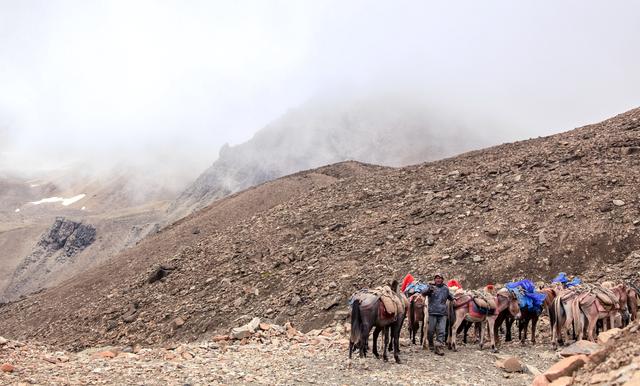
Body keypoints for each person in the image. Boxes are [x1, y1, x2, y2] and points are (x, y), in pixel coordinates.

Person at [421, 273, 453, 355]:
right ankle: (431, 343)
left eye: (440, 278)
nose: (438, 280)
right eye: (436, 278)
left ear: (442, 279)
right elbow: (423, 293)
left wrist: (455, 298)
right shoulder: (430, 287)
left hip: (442, 313)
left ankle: (439, 347)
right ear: (434, 280)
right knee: (431, 331)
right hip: (432, 312)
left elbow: (451, 297)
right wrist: (429, 289)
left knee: (442, 331)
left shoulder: (446, 289)